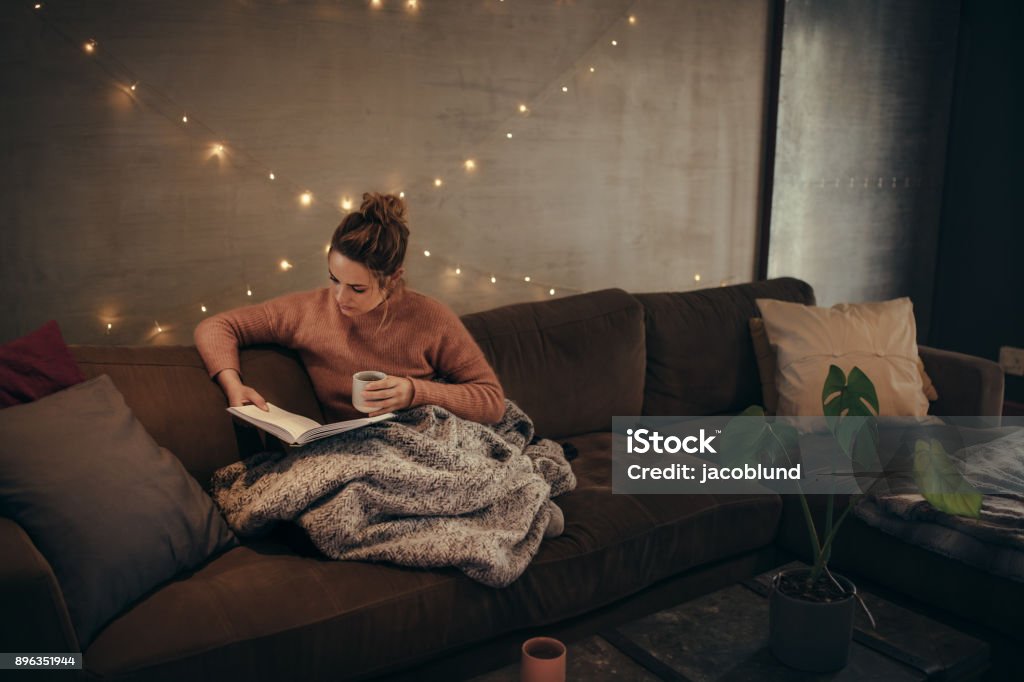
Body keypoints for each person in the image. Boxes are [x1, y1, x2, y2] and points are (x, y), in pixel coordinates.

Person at [194, 192, 506, 425]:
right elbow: (217, 326)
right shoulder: (307, 311)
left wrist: (414, 393)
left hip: (424, 439)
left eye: (358, 288)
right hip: (353, 451)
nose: (341, 297)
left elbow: (492, 402)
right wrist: (233, 386)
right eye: (334, 280)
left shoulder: (431, 319)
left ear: (393, 278)